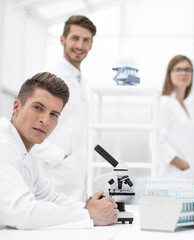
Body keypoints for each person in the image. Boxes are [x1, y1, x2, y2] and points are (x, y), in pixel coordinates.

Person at [0, 72, 118, 229]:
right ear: (17, 107)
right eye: (38, 107)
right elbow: (22, 212)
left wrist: (86, 207)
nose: (45, 120)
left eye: (54, 114)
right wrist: (89, 215)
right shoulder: (4, 146)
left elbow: (49, 197)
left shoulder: (26, 154)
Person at [32, 15, 96, 201]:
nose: (80, 46)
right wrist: (59, 157)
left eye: (86, 40)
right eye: (75, 38)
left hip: (74, 175)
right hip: (53, 173)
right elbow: (26, 125)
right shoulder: (50, 77)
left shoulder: (81, 82)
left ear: (91, 45)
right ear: (62, 40)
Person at [154, 55, 194, 187]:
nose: (183, 73)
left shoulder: (188, 108)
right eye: (178, 69)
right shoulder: (164, 103)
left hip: (190, 178)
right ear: (169, 74)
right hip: (173, 176)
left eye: (187, 70)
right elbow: (157, 141)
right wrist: (183, 166)